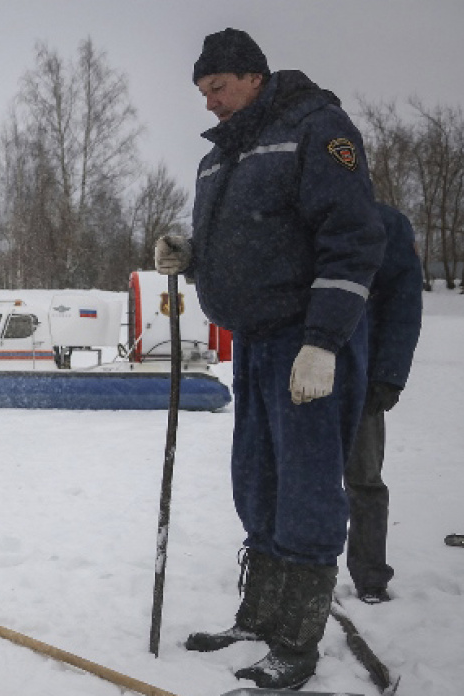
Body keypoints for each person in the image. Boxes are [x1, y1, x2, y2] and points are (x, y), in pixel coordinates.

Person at [155, 28, 385, 690]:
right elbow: (251, 241)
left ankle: (296, 641)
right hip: (253, 343)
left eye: (218, 88)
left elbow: (351, 237)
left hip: (304, 340)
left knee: (307, 485)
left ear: (254, 77)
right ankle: (258, 616)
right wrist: (191, 255)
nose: (209, 102)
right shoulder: (222, 155)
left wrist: (323, 342)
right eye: (202, 92)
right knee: (257, 480)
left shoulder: (316, 130)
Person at [347, 203, 423, 605]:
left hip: (362, 375)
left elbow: (403, 304)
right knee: (293, 479)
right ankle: (296, 572)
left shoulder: (386, 224)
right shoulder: (296, 212)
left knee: (364, 480)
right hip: (296, 369)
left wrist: (389, 373)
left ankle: (370, 576)